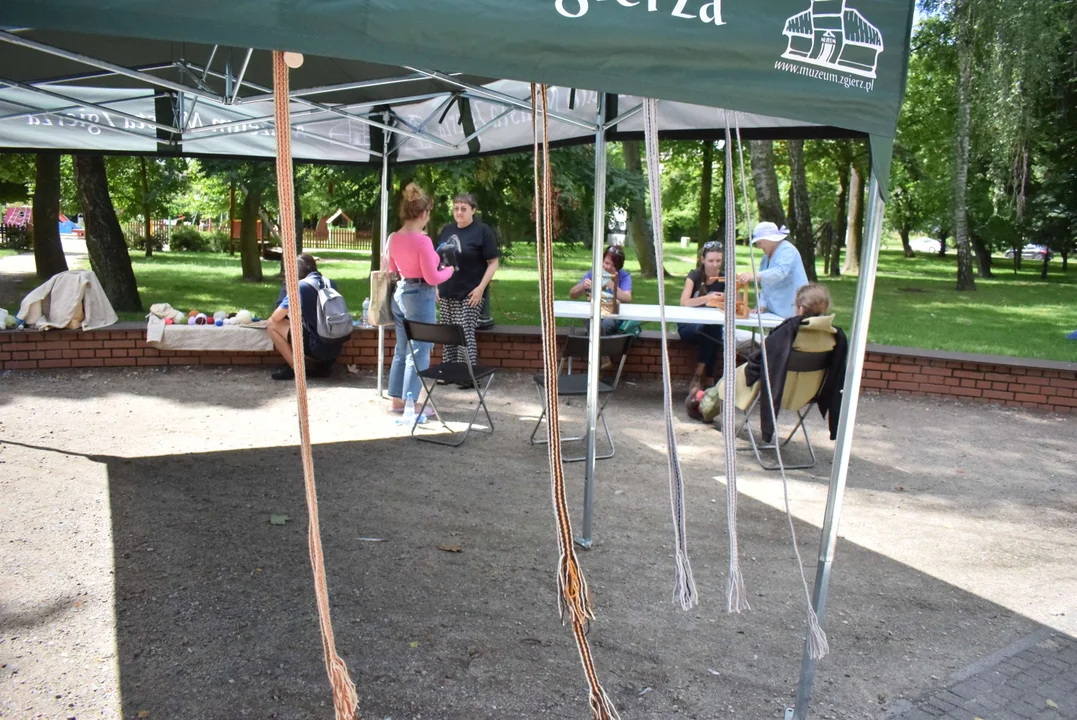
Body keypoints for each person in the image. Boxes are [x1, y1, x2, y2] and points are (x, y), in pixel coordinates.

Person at [687, 283, 846, 443]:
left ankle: (702, 405)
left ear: (801, 309)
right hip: (806, 392)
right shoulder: (834, 336)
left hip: (773, 388)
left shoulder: (788, 331)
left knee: (729, 380)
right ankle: (703, 397)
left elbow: (759, 361)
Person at [387, 183, 455, 413]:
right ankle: (411, 403)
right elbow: (433, 277)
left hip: (401, 294)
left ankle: (396, 399)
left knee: (401, 349)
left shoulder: (393, 237)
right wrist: (450, 270)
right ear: (424, 213)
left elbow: (392, 268)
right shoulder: (423, 241)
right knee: (420, 351)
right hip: (420, 295)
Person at [436, 193, 499, 365]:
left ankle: (467, 374)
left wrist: (481, 288)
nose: (459, 212)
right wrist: (435, 285)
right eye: (456, 208)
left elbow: (493, 262)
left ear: (473, 210)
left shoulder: (482, 231)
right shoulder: (447, 230)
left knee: (465, 333)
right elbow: (439, 260)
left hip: (471, 292)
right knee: (448, 333)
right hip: (447, 290)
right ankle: (449, 371)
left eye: (463, 209)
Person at [266, 253, 345, 381]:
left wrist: (287, 286)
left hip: (316, 348)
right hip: (335, 346)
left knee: (271, 324)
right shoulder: (330, 283)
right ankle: (322, 367)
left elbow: (276, 317)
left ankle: (296, 369)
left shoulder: (300, 287)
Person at [736, 221, 809, 319]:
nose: (759, 246)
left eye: (760, 242)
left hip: (794, 307)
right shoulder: (765, 258)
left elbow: (779, 272)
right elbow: (765, 285)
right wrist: (762, 304)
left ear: (769, 240)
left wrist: (755, 275)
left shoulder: (787, 250)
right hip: (776, 310)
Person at [678, 240, 725, 391]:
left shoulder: (725, 278)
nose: (715, 265)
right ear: (703, 260)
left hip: (710, 328)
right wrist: (708, 298)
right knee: (714, 334)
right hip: (688, 326)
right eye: (711, 260)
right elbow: (684, 302)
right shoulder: (695, 275)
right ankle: (709, 377)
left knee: (713, 331)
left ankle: (698, 376)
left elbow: (737, 305)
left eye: (718, 260)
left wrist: (734, 287)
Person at [568, 245, 632, 335]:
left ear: (618, 268)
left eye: (613, 265)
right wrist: (583, 286)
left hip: (612, 313)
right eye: (606, 263)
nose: (607, 267)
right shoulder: (594, 272)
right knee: (594, 324)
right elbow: (572, 294)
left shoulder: (624, 276)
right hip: (593, 310)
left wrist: (611, 284)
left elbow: (627, 298)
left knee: (603, 327)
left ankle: (595, 346)